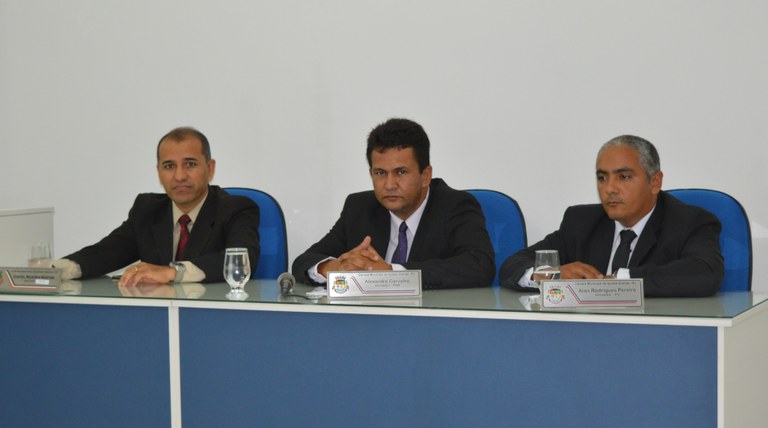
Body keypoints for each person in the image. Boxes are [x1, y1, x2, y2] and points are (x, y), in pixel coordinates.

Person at [499, 135, 724, 297]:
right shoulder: (581, 222)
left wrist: (619, 281)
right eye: (602, 178)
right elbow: (513, 265)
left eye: (623, 177)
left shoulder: (689, 222)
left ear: (655, 182)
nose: (609, 189)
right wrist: (551, 276)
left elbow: (706, 273)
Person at [292, 118, 495, 289]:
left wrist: (391, 273)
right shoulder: (359, 208)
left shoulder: (455, 206)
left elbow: (479, 266)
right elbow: (304, 260)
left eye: (401, 172)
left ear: (425, 175)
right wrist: (333, 268)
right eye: (380, 173)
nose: (389, 185)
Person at [55, 127, 260, 285]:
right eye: (169, 166)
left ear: (210, 168)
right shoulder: (147, 210)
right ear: (159, 173)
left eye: (190, 164)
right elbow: (107, 252)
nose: (179, 176)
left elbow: (242, 261)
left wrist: (173, 272)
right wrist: (55, 270)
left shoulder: (236, 209)